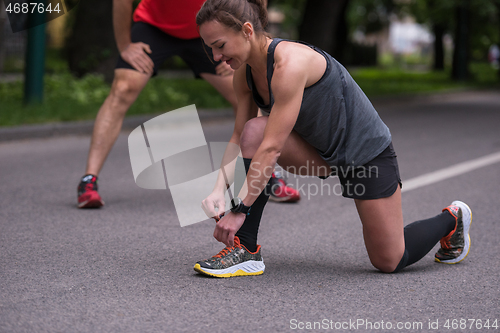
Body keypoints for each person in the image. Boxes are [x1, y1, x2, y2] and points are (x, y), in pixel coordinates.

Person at [193, 0, 472, 278]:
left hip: (365, 154)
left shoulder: (289, 64)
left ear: (246, 30)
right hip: (317, 151)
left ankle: (452, 219)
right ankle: (246, 251)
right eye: (210, 48)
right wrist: (219, 189)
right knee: (253, 131)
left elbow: (272, 147)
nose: (216, 57)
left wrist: (239, 209)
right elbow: (240, 135)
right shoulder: (244, 73)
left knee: (389, 260)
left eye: (219, 45)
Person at [76, 0, 300, 208]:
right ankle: (89, 180)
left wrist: (244, 46)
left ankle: (267, 175)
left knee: (244, 91)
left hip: (209, 27)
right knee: (123, 89)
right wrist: (125, 45)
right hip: (155, 26)